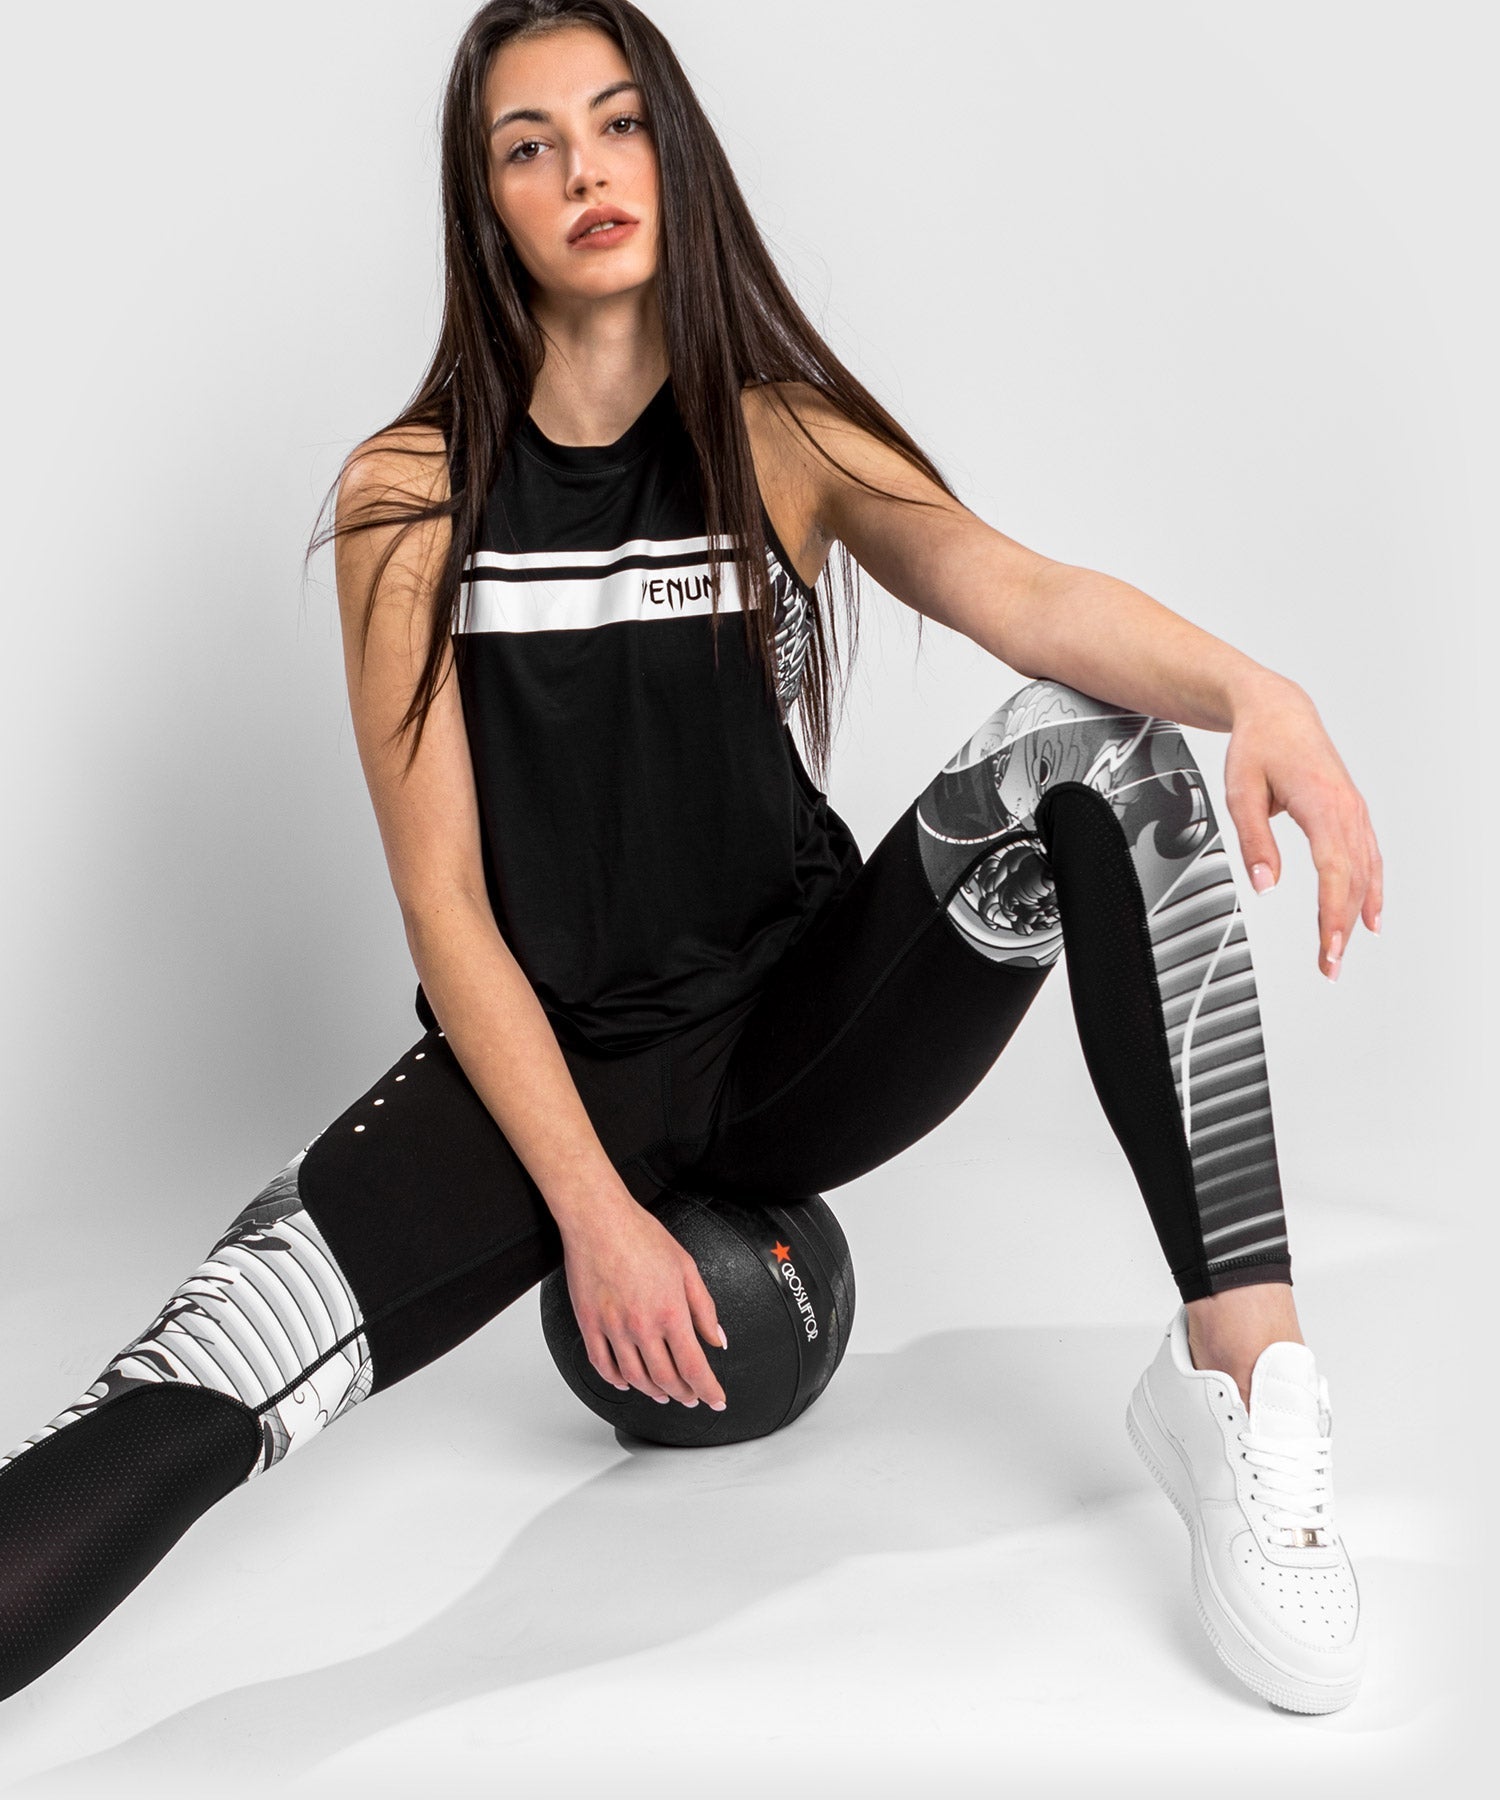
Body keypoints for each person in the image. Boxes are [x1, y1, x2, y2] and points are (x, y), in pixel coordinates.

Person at [0, 0, 1380, 1718]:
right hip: (542, 1077)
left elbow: (1022, 594)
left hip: (798, 1033)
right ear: (485, 203)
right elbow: (443, 904)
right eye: (528, 146)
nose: (584, 170)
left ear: (674, 149)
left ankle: (1242, 1384)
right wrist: (594, 1216)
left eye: (618, 122)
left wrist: (1261, 692)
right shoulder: (409, 497)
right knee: (178, 1394)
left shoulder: (774, 435)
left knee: (1102, 747)